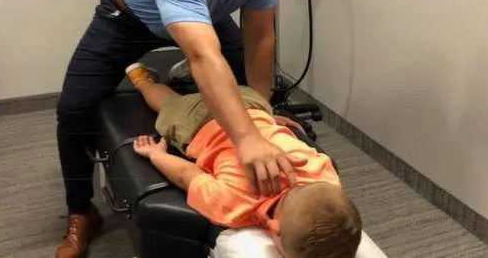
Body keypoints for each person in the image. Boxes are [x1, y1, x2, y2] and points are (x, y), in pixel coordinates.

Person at [54, 0, 304, 257]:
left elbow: (260, 35)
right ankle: (82, 211)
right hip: (129, 22)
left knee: (245, 89)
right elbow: (204, 57)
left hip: (205, 15)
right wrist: (246, 139)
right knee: (72, 111)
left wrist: (261, 113)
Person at [127, 63, 363, 258]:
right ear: (275, 232)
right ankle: (142, 81)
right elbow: (187, 175)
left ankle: (200, 69)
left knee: (218, 83)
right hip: (200, 122)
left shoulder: (326, 173)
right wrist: (157, 155)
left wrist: (271, 121)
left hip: (255, 104)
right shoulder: (235, 203)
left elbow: (293, 140)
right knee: (168, 104)